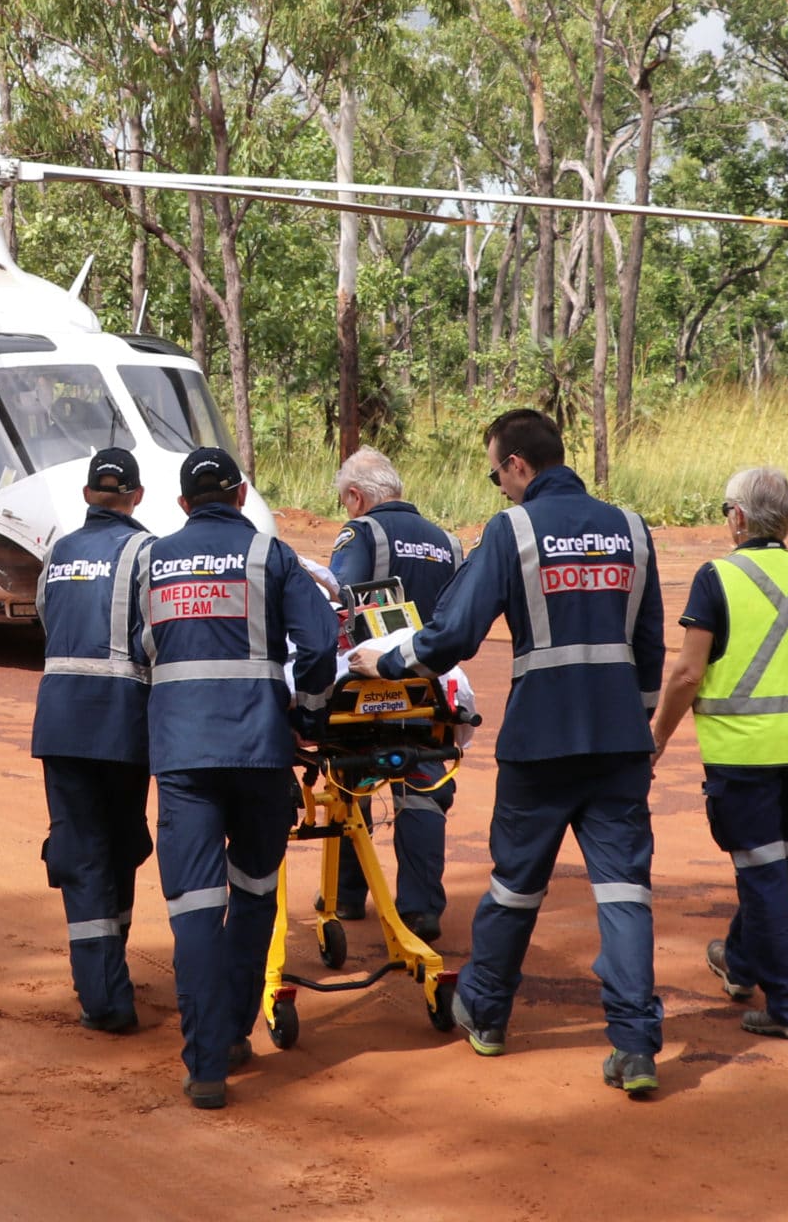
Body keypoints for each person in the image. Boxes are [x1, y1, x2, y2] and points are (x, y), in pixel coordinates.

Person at [349, 408, 666, 1098]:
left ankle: (488, 1017)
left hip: (541, 739)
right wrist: (635, 727)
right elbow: (649, 651)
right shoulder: (634, 531)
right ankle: (637, 1047)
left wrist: (386, 658)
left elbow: (451, 634)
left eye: (497, 475)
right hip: (618, 744)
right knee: (624, 893)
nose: (499, 488)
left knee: (516, 886)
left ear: (518, 465)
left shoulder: (514, 530)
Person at [138, 446, 340, 1110]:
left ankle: (205, 1067)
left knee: (196, 909)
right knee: (254, 896)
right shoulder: (270, 555)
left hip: (183, 759)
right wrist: (305, 717)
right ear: (242, 492)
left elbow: (142, 651)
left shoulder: (152, 558)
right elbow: (317, 646)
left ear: (181, 503)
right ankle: (229, 1034)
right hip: (258, 755)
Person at [650, 466, 788, 1043]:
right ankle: (740, 963)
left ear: (737, 518)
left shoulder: (717, 577)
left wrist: (656, 740)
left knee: (765, 879)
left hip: (745, 755)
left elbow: (688, 671)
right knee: (774, 871)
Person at [33, 448, 156, 1035]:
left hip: (61, 723)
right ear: (135, 497)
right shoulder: (146, 551)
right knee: (122, 844)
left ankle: (103, 988)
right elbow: (157, 640)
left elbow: (47, 619)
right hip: (122, 723)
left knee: (83, 854)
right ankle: (107, 987)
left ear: (87, 495)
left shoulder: (57, 552)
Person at [326, 447, 464, 941]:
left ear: (357, 497)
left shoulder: (362, 532)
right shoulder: (449, 542)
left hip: (371, 686)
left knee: (349, 779)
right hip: (429, 687)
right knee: (424, 787)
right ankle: (422, 908)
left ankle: (345, 895)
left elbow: (337, 600)